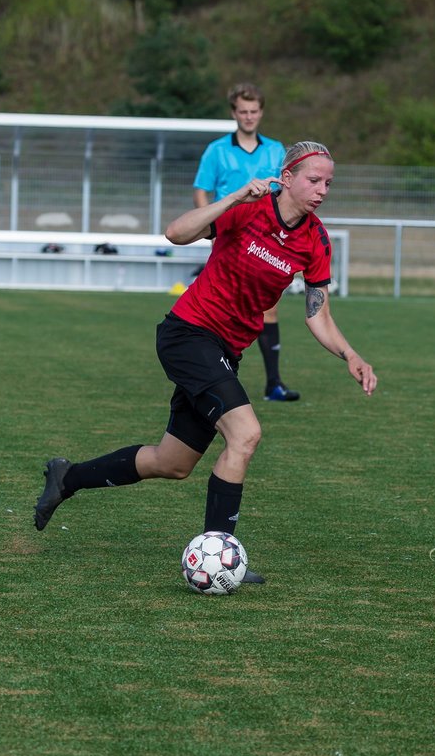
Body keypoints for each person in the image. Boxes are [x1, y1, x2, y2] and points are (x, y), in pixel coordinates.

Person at [34, 141, 377, 581]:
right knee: (246, 434)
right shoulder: (248, 209)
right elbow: (175, 233)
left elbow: (318, 314)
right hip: (188, 334)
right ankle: (220, 555)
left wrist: (351, 354)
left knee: (171, 463)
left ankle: (68, 478)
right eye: (314, 180)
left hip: (225, 352)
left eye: (328, 182)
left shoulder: (315, 240)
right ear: (287, 177)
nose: (322, 190)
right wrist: (233, 196)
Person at [194, 82, 299, 402]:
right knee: (220, 307)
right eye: (243, 111)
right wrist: (207, 227)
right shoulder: (217, 150)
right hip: (229, 239)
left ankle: (273, 384)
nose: (249, 116)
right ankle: (214, 375)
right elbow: (202, 190)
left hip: (265, 241)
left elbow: (287, 193)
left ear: (261, 113)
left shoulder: (276, 150)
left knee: (269, 310)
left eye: (254, 111)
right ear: (233, 113)